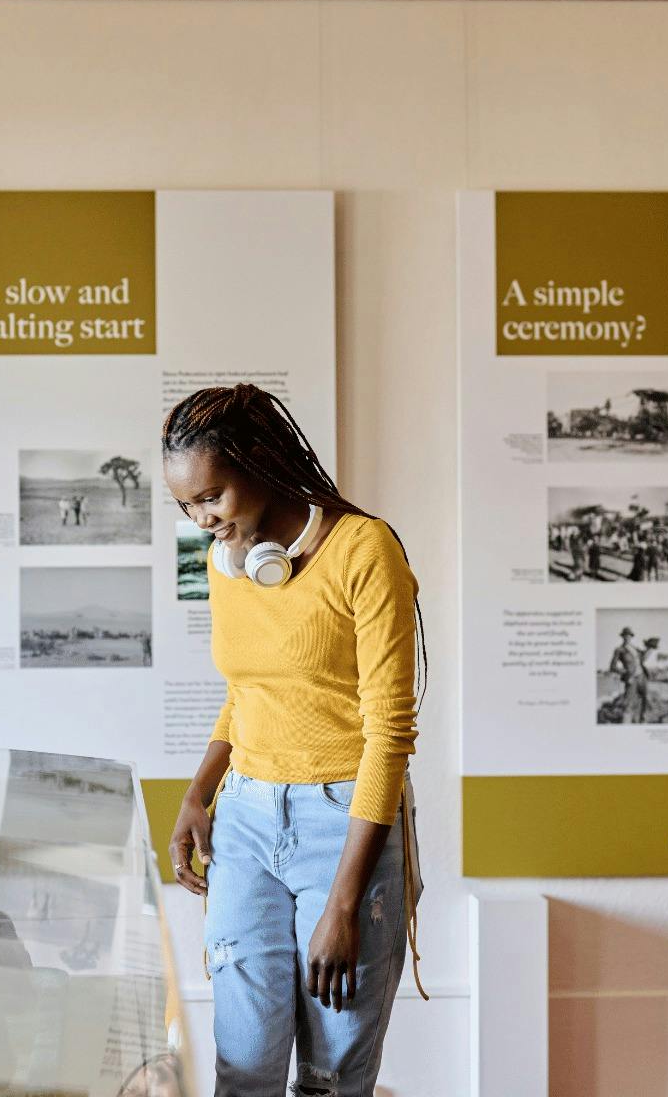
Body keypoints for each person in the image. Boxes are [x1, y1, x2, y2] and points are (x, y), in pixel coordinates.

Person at [161, 383, 424, 1097]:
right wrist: (198, 793)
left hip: (346, 826)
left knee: (329, 1081)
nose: (201, 518)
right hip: (245, 820)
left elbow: (390, 735)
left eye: (211, 496)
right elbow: (248, 690)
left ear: (262, 463)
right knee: (240, 1070)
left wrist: (344, 905)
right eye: (185, 505)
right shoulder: (229, 560)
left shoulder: (365, 550)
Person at [608, 627, 647, 724]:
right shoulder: (619, 650)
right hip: (631, 679)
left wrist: (650, 647)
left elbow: (643, 658)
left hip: (642, 677)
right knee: (628, 703)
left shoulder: (635, 648)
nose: (627, 637)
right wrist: (625, 673)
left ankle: (642, 721)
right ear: (622, 637)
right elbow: (612, 666)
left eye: (629, 635)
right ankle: (626, 725)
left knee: (644, 700)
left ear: (631, 637)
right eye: (625, 635)